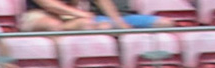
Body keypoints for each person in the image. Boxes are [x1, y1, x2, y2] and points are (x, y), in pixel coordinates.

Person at [21, 0, 158, 31]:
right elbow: (49, 4)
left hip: (72, 16)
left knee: (105, 26)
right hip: (39, 15)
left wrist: (118, 22)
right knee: (53, 24)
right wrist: (81, 13)